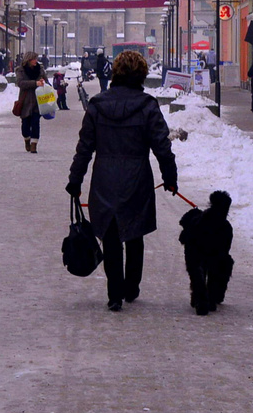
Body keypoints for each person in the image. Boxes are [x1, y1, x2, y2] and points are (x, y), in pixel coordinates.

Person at [66, 50, 178, 312]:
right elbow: (162, 146)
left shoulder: (97, 104)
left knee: (111, 234)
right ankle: (132, 286)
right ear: (141, 74)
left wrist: (75, 179)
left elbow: (85, 147)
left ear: (115, 72)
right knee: (134, 233)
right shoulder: (148, 105)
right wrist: (170, 177)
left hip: (104, 176)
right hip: (137, 176)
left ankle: (114, 292)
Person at [13, 51, 47, 153]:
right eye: (34, 59)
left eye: (36, 59)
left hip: (38, 100)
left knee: (36, 122)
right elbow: (20, 83)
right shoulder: (21, 70)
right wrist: (35, 83)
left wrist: (44, 82)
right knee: (25, 125)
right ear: (28, 60)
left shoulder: (40, 69)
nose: (36, 61)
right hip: (25, 100)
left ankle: (34, 145)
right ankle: (27, 139)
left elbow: (45, 80)